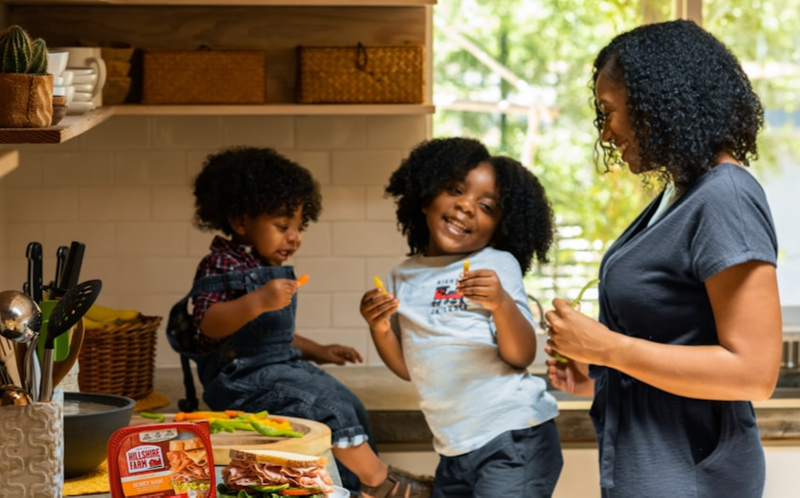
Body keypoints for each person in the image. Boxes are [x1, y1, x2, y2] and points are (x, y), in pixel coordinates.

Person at [544, 20, 782, 497]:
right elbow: (679, 342)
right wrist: (600, 376)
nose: (607, 132)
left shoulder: (726, 197)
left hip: (690, 479)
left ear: (657, 105)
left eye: (609, 111)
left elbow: (754, 373)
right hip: (654, 469)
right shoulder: (681, 191)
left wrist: (606, 349)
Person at [185, 146, 433, 497]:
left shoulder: (262, 262)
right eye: (283, 226)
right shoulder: (222, 263)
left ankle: (357, 485)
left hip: (277, 365)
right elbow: (207, 325)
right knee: (325, 409)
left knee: (348, 402)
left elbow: (269, 334)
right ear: (241, 221)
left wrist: (319, 350)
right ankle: (380, 482)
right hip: (239, 377)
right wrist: (257, 299)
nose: (295, 237)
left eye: (299, 227)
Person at [360, 137, 563, 498]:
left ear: (501, 225)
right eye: (455, 190)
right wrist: (378, 327)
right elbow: (410, 367)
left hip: (513, 435)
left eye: (486, 206)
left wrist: (501, 304)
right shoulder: (400, 277)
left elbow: (521, 355)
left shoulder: (497, 265)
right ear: (425, 198)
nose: (467, 207)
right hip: (454, 447)